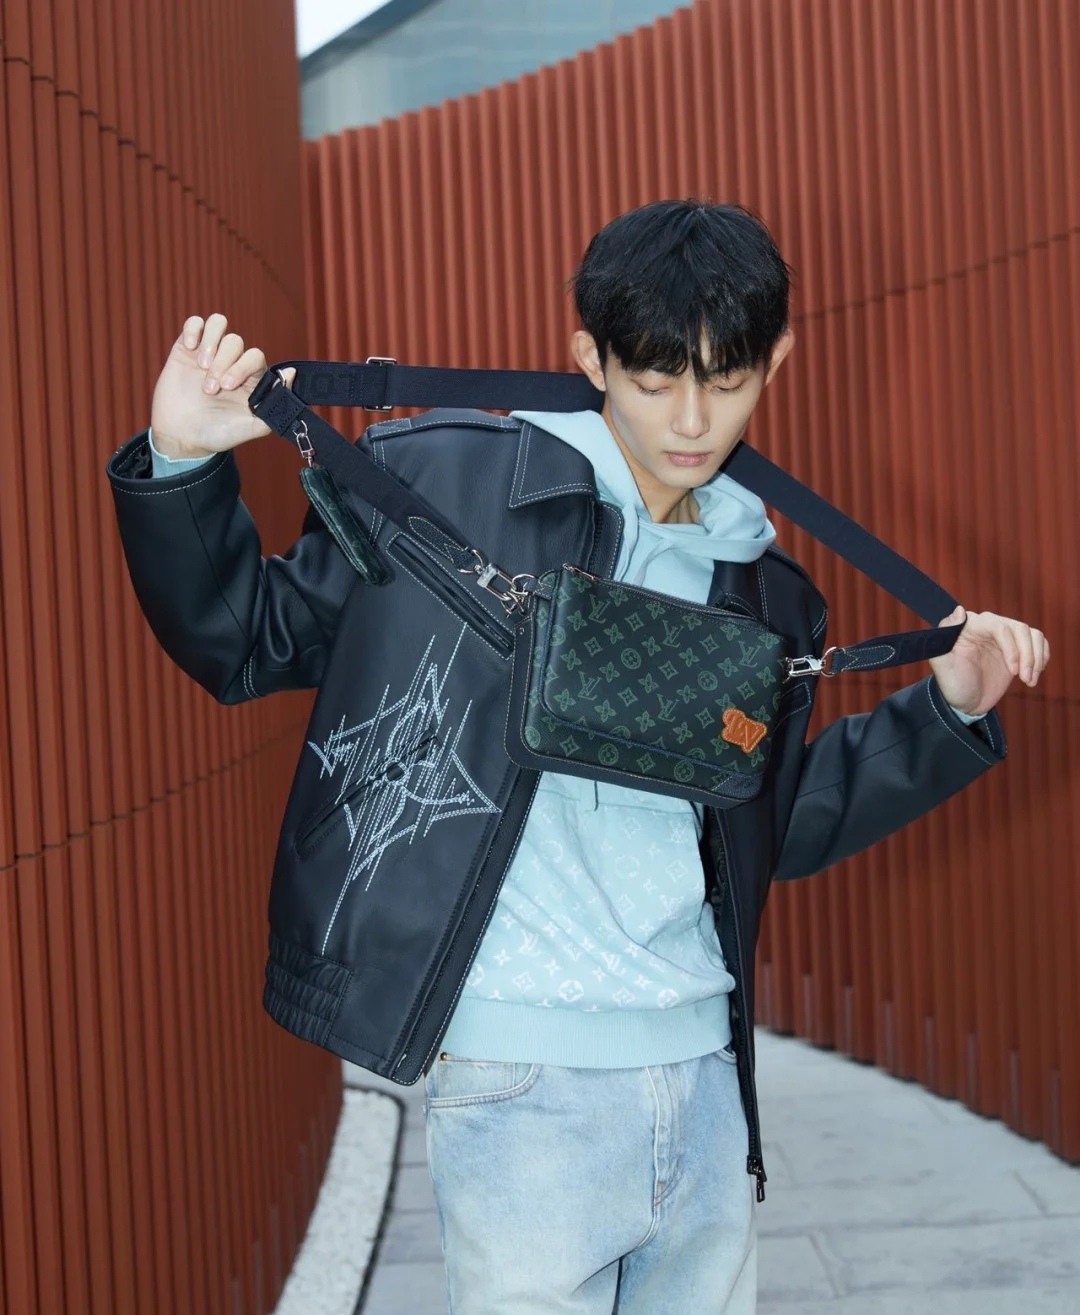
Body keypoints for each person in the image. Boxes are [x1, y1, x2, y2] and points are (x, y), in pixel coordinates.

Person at [105, 200, 1048, 1314]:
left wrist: (944, 713)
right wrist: (180, 461)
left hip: (703, 1077)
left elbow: (775, 821)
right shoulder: (449, 482)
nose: (692, 418)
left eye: (728, 381)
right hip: (519, 1081)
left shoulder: (766, 590)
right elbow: (247, 640)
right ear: (589, 358)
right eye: (653, 381)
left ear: (777, 361)